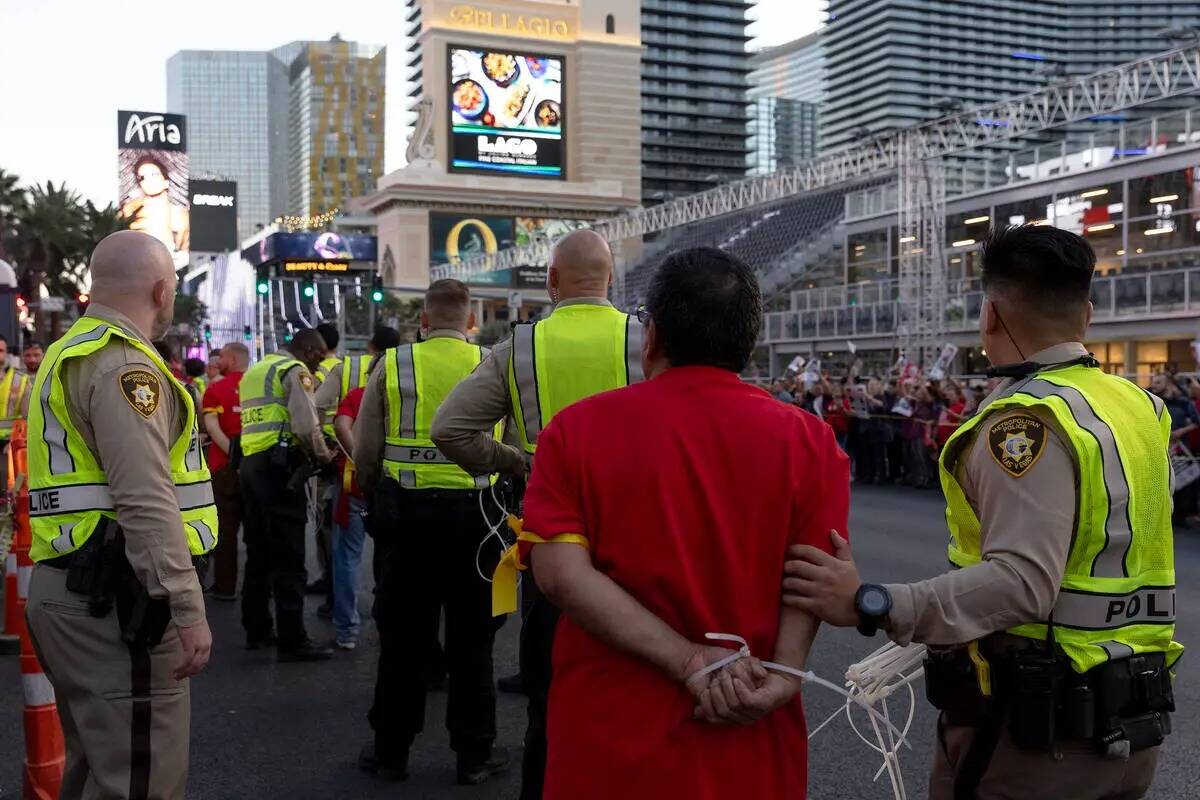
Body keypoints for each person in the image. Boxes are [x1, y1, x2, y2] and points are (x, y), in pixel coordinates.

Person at [783, 224, 1182, 800]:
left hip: (1034, 741)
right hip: (1130, 727)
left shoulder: (1026, 422)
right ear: (1088, 314)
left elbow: (1023, 582)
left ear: (989, 316)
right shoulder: (1139, 406)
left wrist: (873, 602)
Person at [520, 247, 848, 797]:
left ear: (651, 336)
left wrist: (690, 660)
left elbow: (559, 574)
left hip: (609, 741)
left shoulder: (576, 431)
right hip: (749, 732)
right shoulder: (810, 441)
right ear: (748, 344)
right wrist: (786, 675)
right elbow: (814, 576)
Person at [431, 228, 645, 800]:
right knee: (638, 685)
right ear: (610, 282)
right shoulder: (645, 341)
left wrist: (516, 462)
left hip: (551, 538)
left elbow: (449, 428)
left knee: (552, 692)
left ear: (551, 282)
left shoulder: (520, 348)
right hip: (640, 541)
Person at [25, 230, 216, 798]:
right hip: (117, 605)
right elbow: (145, 497)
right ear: (162, 290)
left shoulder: (72, 350)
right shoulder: (123, 365)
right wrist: (187, 606)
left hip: (77, 592)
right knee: (140, 780)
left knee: (100, 770)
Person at [354, 279, 506, 784]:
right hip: (478, 521)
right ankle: (475, 756)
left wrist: (373, 494)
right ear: (470, 321)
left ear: (423, 321)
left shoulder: (393, 363)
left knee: (402, 642)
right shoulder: (492, 361)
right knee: (473, 642)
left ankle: (391, 753)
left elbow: (367, 448)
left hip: (409, 522)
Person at [238, 328, 335, 661]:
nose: (320, 363)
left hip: (251, 465)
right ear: (307, 350)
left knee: (258, 553)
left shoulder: (256, 370)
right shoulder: (293, 371)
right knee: (290, 557)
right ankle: (293, 640)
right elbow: (306, 425)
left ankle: (257, 630)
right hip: (280, 470)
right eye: (319, 357)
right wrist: (324, 458)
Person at [201, 342, 250, 601]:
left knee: (226, 532)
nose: (218, 362)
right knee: (257, 532)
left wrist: (233, 454)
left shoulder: (216, 389)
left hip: (224, 469)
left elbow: (211, 426)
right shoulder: (261, 386)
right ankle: (260, 589)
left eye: (221, 358)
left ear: (230, 359)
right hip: (257, 469)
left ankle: (225, 586)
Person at [120, 154, 189, 252]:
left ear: (166, 181)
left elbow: (185, 251)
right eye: (142, 177)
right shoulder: (129, 210)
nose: (148, 180)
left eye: (154, 174)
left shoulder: (180, 214)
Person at [0, 333, 32, 491]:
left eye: (0, 350)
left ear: (6, 353)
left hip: (11, 444)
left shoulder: (20, 380)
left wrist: (15, 442)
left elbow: (29, 418)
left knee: (11, 489)